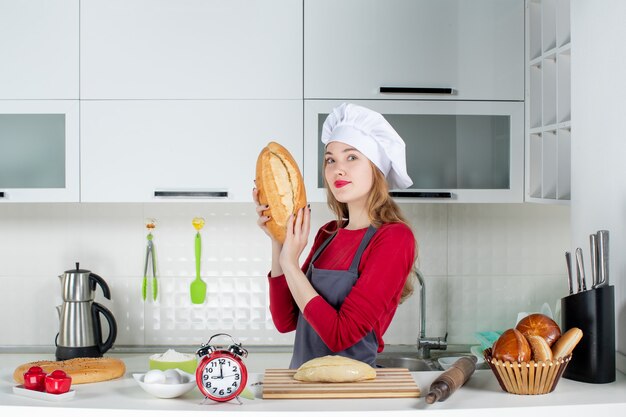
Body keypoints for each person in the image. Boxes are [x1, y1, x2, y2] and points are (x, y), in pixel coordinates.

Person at [253, 103, 417, 368]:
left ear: (376, 169)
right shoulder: (328, 233)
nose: (337, 169)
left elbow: (340, 335)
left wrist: (290, 265)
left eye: (351, 157)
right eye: (330, 159)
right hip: (303, 384)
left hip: (351, 395)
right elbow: (286, 320)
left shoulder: (395, 238)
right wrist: (279, 241)